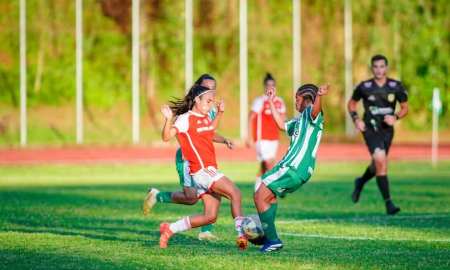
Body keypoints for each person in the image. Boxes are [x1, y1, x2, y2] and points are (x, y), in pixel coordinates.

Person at [142, 74, 234, 241]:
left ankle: (206, 230)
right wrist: (186, 150)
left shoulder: (210, 109)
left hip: (204, 160)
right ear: (198, 90)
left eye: (214, 88)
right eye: (207, 88)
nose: (211, 91)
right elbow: (181, 130)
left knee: (212, 187)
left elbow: (209, 132)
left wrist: (224, 139)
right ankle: (157, 196)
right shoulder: (190, 109)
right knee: (192, 197)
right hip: (187, 159)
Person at [157, 84, 247, 250]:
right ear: (196, 100)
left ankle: (170, 229)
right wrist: (168, 118)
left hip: (207, 171)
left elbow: (210, 130)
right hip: (202, 170)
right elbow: (166, 137)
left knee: (210, 217)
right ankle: (241, 235)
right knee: (235, 193)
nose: (210, 105)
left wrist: (220, 113)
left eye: (212, 101)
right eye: (207, 101)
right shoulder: (185, 119)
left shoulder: (204, 117)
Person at [253, 83, 329, 252]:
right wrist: (271, 101)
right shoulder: (302, 120)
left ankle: (272, 240)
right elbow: (282, 125)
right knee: (269, 198)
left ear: (308, 101)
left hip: (292, 167)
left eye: (298, 99)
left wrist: (320, 96)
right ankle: (269, 238)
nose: (295, 103)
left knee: (259, 197)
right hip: (300, 172)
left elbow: (315, 110)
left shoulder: (311, 114)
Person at [348, 55, 408, 215]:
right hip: (370, 129)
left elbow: (405, 107)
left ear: (386, 68)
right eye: (376, 66)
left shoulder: (396, 86)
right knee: (381, 161)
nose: (379, 69)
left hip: (387, 131)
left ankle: (360, 181)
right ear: (372, 68)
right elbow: (352, 103)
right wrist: (356, 119)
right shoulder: (364, 86)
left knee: (377, 166)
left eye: (382, 66)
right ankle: (389, 204)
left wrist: (395, 117)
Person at [247, 73, 287, 192]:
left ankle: (257, 190)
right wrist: (248, 136)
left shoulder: (279, 101)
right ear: (265, 86)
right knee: (269, 163)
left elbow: (284, 118)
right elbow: (251, 118)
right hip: (261, 138)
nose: (270, 87)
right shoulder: (259, 101)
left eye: (273, 85)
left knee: (265, 166)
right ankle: (276, 188)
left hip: (274, 137)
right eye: (268, 85)